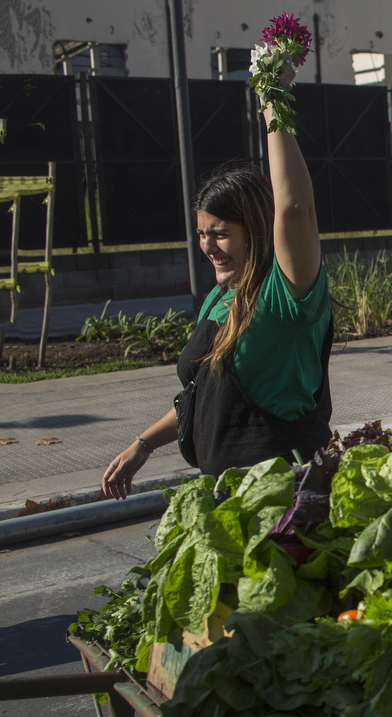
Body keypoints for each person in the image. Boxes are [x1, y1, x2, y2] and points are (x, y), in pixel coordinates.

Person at [102, 56, 331, 497]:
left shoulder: (287, 295)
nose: (208, 246)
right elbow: (204, 394)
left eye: (221, 234)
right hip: (226, 500)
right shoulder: (220, 297)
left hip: (286, 501)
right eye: (202, 234)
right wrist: (143, 443)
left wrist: (273, 100)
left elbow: (296, 208)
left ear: (259, 231)